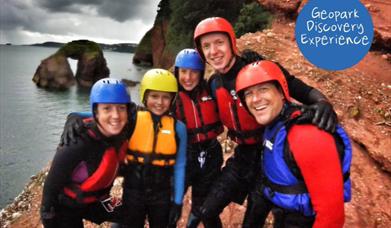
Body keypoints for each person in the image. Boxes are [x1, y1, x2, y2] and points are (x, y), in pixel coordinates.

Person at [192, 17, 339, 226]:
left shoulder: (258, 69)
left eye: (219, 42)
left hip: (270, 152)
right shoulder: (214, 83)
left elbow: (298, 88)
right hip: (243, 156)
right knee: (206, 211)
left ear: (231, 43)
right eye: (206, 46)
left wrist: (323, 102)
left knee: (254, 217)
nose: (213, 51)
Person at [235, 60, 352, 227]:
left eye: (263, 89)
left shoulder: (307, 136)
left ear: (282, 93)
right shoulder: (274, 122)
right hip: (283, 212)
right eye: (248, 93)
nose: (255, 99)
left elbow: (332, 218)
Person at [40, 78, 131, 228]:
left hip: (95, 201)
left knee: (132, 214)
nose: (116, 115)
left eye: (121, 108)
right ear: (95, 111)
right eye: (107, 108)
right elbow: (50, 191)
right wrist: (49, 220)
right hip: (67, 207)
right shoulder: (76, 143)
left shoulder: (122, 133)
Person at [117, 69, 187, 228]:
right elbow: (104, 117)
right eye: (154, 96)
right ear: (145, 96)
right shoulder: (133, 118)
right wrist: (76, 118)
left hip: (161, 195)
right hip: (133, 191)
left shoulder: (179, 128)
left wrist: (177, 202)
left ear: (172, 100)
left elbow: (180, 167)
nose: (160, 102)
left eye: (165, 97)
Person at [173, 49, 224, 228]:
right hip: (184, 157)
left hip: (210, 154)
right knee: (172, 206)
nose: (188, 77)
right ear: (177, 72)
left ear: (201, 73)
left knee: (204, 207)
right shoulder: (171, 97)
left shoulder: (210, 89)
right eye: (184, 72)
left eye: (194, 72)